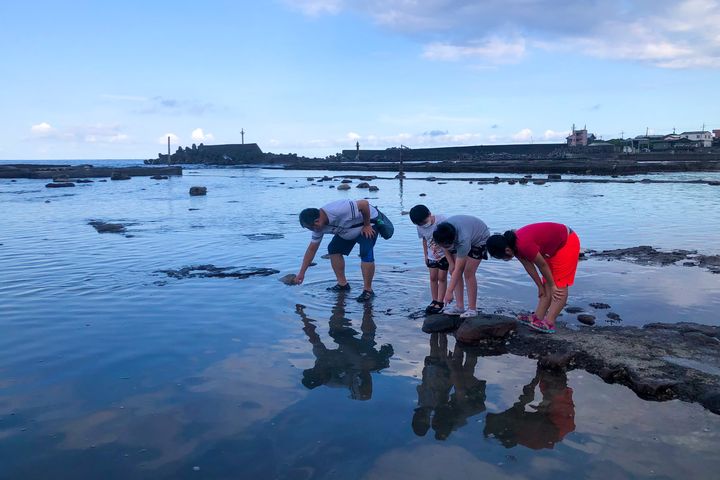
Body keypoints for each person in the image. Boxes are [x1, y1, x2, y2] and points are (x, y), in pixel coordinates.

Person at [486, 223, 580, 334]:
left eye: (501, 257)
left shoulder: (523, 244)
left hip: (566, 242)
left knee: (559, 284)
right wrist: (540, 286)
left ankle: (549, 323)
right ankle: (538, 317)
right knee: (546, 284)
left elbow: (542, 265)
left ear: (507, 250)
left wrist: (553, 286)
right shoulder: (513, 246)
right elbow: (529, 266)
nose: (504, 259)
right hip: (552, 248)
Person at [296, 199, 383, 302]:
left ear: (316, 221)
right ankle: (343, 284)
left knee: (365, 253)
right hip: (347, 230)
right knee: (333, 249)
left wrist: (367, 225)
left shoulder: (337, 210)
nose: (313, 231)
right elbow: (311, 250)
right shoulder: (317, 228)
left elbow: (364, 204)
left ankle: (368, 290)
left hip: (368, 223)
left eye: (310, 228)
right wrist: (301, 273)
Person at [432, 215, 491, 318]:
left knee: (468, 272)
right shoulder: (440, 231)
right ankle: (459, 307)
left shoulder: (463, 239)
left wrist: (449, 291)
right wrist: (450, 263)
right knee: (453, 269)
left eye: (447, 245)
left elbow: (459, 269)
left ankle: (472, 309)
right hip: (461, 234)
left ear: (453, 240)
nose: (444, 247)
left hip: (480, 238)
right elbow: (443, 246)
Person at [409, 205, 455, 314]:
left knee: (442, 278)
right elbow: (424, 240)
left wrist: (451, 261)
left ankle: (440, 302)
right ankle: (434, 300)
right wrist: (425, 255)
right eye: (419, 224)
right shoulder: (420, 226)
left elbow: (449, 239)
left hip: (444, 255)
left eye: (424, 222)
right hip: (431, 255)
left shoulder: (442, 220)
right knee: (433, 277)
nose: (423, 225)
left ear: (429, 214)